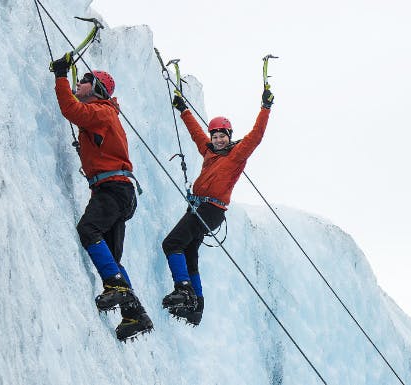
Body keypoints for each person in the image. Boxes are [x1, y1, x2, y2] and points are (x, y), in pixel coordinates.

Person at [50, 53, 153, 341]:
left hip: (112, 189)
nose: (78, 84)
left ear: (96, 88)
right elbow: (77, 110)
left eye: (83, 81)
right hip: (119, 192)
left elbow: (72, 111)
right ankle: (135, 314)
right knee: (111, 255)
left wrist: (60, 76)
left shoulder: (102, 111)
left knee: (88, 229)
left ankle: (117, 288)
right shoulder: (102, 114)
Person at [160, 87, 274, 325]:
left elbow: (256, 135)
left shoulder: (237, 155)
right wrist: (183, 110)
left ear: (229, 136)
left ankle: (184, 290)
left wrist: (265, 107)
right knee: (189, 253)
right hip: (201, 208)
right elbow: (195, 133)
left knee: (172, 243)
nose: (218, 139)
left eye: (223, 135)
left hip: (210, 209)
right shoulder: (209, 152)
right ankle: (196, 307)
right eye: (215, 136)